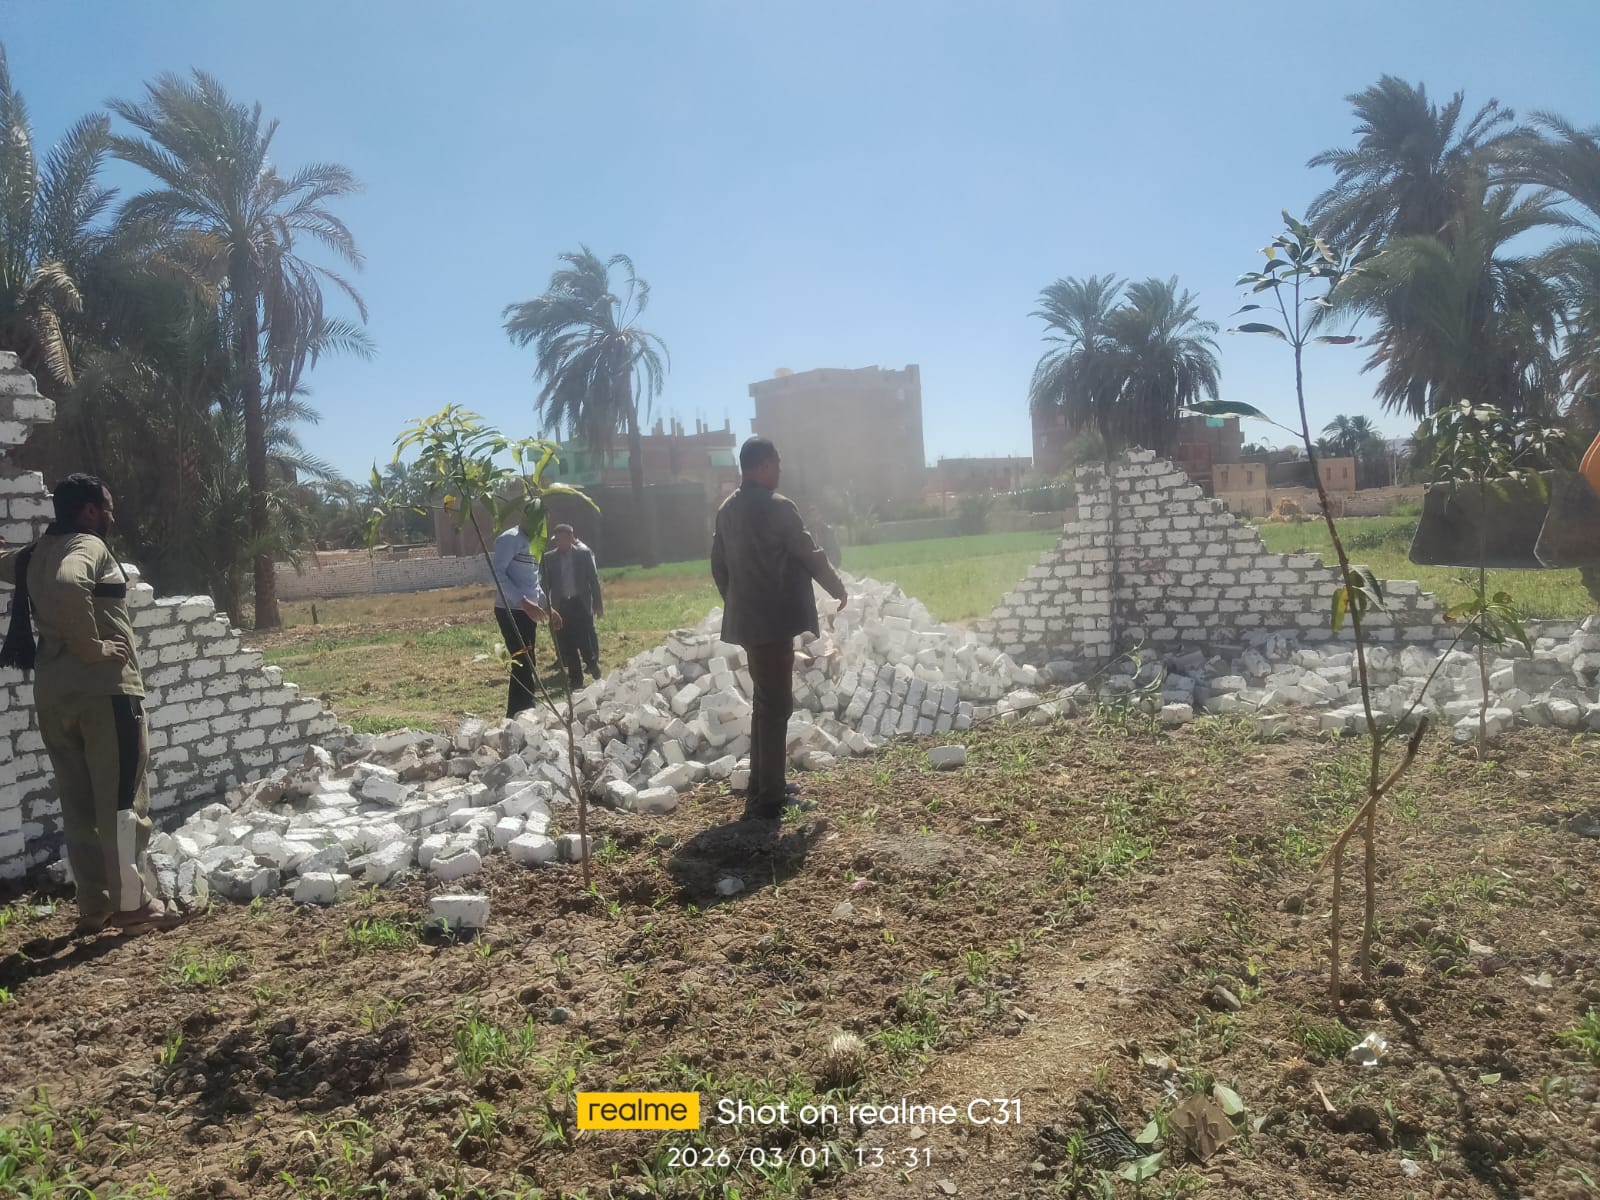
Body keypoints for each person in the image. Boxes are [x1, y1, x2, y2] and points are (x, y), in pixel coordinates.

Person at [0, 474, 177, 935]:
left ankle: (94, 906)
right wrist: (94, 648)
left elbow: (9, 565)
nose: (113, 516)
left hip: (54, 696)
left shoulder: (35, 553)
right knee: (120, 802)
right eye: (109, 508)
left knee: (77, 804)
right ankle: (133, 905)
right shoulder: (87, 546)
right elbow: (67, 583)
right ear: (91, 511)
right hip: (105, 693)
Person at [711, 437, 848, 822]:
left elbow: (718, 566)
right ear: (763, 465)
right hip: (774, 621)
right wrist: (837, 587)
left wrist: (738, 602)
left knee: (764, 703)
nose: (780, 471)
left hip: (749, 622)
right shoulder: (778, 507)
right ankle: (770, 799)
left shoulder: (726, 510)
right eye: (777, 463)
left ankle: (762, 783)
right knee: (776, 707)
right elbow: (808, 552)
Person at [491, 518, 561, 717]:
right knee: (522, 661)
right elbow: (497, 574)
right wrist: (522, 601)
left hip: (529, 612)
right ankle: (518, 713)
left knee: (529, 660)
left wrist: (547, 606)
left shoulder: (534, 543)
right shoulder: (509, 539)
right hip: (511, 610)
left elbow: (533, 582)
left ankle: (524, 710)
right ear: (524, 517)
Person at [540, 523, 604, 688]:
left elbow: (593, 580)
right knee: (566, 642)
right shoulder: (548, 558)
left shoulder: (583, 554)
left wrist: (598, 604)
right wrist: (545, 606)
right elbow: (545, 585)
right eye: (557, 540)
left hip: (579, 602)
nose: (560, 543)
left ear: (570, 538)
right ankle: (576, 679)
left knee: (583, 638)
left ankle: (591, 662)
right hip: (561, 605)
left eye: (563, 539)